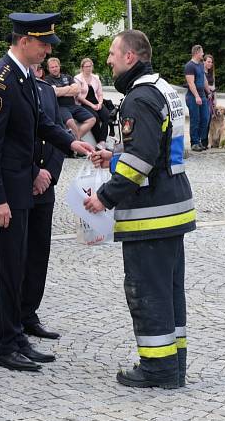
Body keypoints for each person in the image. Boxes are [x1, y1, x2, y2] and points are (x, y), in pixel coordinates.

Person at [0, 12, 94, 372]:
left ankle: (16, 335)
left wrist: (73, 144)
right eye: (42, 44)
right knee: (3, 268)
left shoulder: (22, 77)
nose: (47, 50)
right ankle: (2, 345)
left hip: (19, 186)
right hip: (2, 192)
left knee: (17, 264)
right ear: (24, 41)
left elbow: (40, 123)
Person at [84, 30, 195, 389]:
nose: (109, 60)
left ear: (130, 57)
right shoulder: (162, 88)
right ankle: (174, 364)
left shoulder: (139, 98)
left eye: (113, 53)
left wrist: (105, 196)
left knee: (147, 291)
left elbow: (141, 160)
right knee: (169, 290)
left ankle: (158, 370)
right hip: (171, 208)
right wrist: (113, 155)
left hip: (151, 212)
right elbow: (158, 148)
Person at [20, 63, 67, 340]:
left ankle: (30, 313)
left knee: (39, 253)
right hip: (22, 182)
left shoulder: (48, 91)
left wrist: (50, 174)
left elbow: (59, 133)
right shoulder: (14, 88)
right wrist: (34, 174)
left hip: (45, 184)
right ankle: (13, 315)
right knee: (19, 254)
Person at [45, 57, 95, 140]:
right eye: (52, 67)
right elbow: (54, 93)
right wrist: (69, 88)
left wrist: (61, 90)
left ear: (59, 66)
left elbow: (77, 90)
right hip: (60, 107)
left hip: (73, 105)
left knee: (92, 119)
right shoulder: (47, 80)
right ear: (48, 69)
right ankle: (78, 143)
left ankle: (76, 140)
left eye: (56, 66)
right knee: (71, 122)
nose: (54, 69)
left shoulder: (67, 77)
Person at [74, 57, 113, 145]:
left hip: (96, 102)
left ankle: (102, 141)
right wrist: (92, 105)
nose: (89, 68)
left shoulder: (96, 78)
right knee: (95, 117)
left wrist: (100, 103)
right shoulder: (77, 79)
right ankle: (99, 141)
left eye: (90, 66)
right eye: (86, 66)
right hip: (84, 103)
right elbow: (79, 97)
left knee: (106, 115)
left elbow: (100, 94)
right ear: (82, 67)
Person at [184, 45, 211, 152]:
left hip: (202, 96)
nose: (203, 54)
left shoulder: (200, 65)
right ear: (196, 52)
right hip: (192, 96)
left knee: (205, 118)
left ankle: (199, 140)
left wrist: (208, 92)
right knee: (195, 119)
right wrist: (196, 96)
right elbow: (191, 83)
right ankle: (194, 143)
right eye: (202, 52)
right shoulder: (189, 66)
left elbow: (204, 80)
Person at [204, 54, 216, 118]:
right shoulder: (201, 73)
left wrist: (215, 100)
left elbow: (214, 88)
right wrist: (209, 87)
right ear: (204, 62)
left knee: (209, 119)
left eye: (211, 62)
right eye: (208, 62)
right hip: (204, 98)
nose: (210, 64)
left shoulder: (211, 73)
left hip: (211, 99)